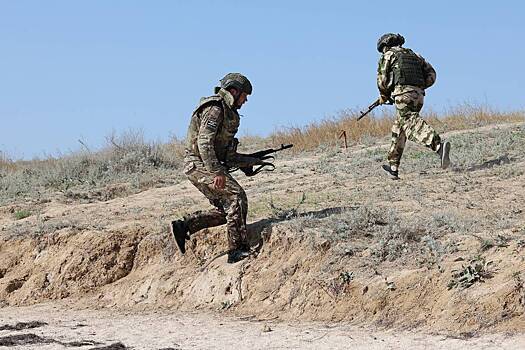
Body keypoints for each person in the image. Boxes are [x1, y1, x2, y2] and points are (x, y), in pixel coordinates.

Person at [171, 73, 254, 264]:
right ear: (234, 91)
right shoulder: (215, 108)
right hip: (199, 164)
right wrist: (216, 171)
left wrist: (250, 161)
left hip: (204, 164)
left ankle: (185, 226)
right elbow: (204, 142)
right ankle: (237, 250)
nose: (246, 100)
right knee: (237, 197)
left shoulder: (229, 113)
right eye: (244, 95)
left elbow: (226, 154)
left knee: (229, 211)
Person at [376, 33, 451, 179]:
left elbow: (382, 80)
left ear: (385, 45)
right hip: (419, 94)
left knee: (410, 123)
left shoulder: (389, 55)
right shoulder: (414, 55)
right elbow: (432, 75)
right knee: (400, 126)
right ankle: (393, 166)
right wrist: (417, 87)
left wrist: (384, 96)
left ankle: (438, 146)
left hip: (403, 94)